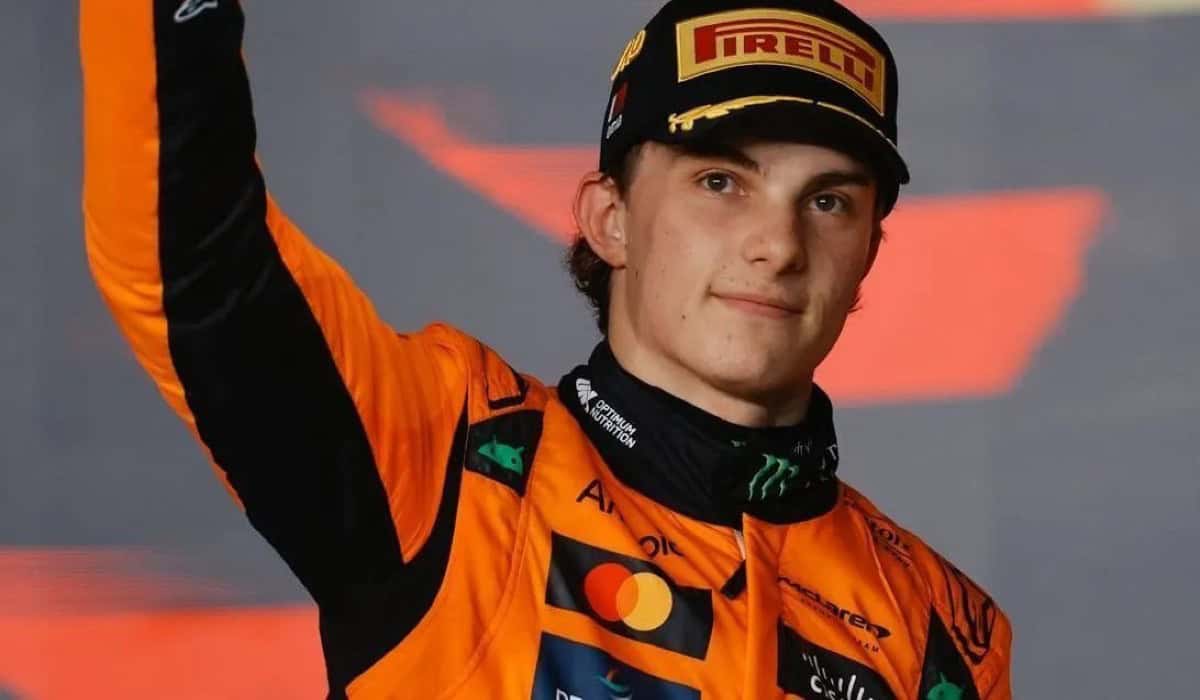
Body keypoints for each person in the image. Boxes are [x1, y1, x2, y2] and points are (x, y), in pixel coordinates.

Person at [81, 0, 1013, 697]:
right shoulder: (449, 461)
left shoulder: (939, 634)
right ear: (610, 219)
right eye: (720, 182)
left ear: (868, 255)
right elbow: (192, 259)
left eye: (828, 200)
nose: (777, 244)